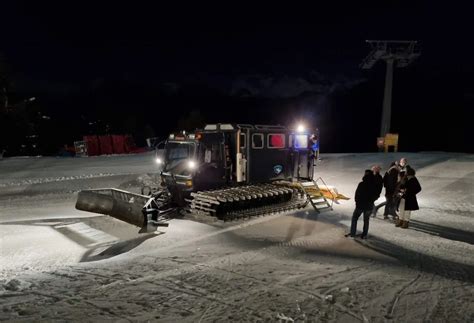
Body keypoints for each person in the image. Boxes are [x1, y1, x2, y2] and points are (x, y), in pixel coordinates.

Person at [348, 170, 377, 239]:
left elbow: (357, 194)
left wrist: (357, 202)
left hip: (360, 205)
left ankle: (352, 234)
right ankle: (364, 235)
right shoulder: (374, 185)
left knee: (354, 218)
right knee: (366, 220)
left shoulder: (361, 184)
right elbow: (375, 195)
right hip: (369, 206)